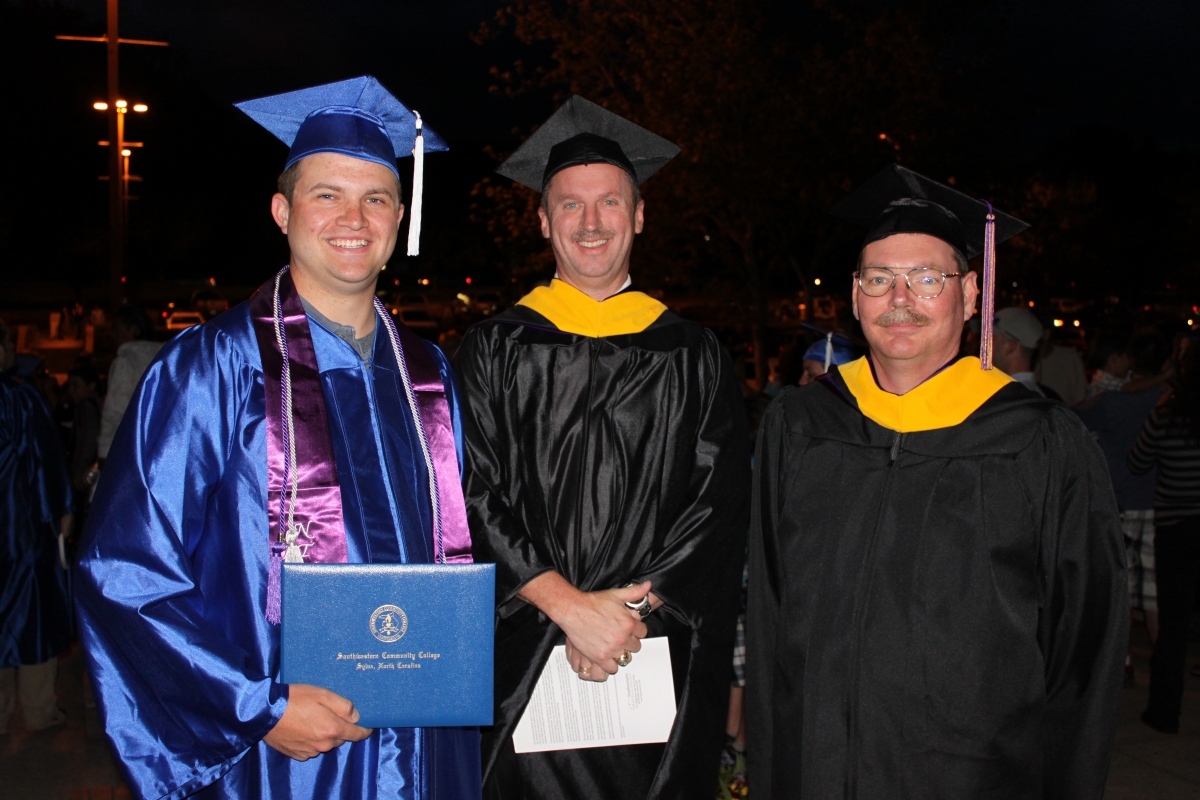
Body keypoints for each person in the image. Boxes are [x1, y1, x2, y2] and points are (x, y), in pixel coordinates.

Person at [75, 77, 482, 798]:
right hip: (284, 752)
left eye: (377, 198)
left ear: (398, 221)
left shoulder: (429, 372)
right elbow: (123, 573)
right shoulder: (210, 368)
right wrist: (258, 706)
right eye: (327, 194)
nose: (353, 218)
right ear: (282, 210)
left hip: (425, 743)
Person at [746, 165, 1127, 798]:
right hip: (817, 763)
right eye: (879, 279)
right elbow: (769, 614)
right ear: (855, 295)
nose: (900, 299)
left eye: (928, 278)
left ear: (972, 294)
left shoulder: (1039, 439)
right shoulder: (802, 423)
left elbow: (1084, 647)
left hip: (973, 772)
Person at [456, 96, 751, 799]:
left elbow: (719, 502)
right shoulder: (494, 347)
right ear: (542, 219)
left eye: (610, 202)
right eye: (569, 205)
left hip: (653, 652)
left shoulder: (693, 352)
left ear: (639, 215)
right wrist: (566, 607)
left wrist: (627, 619)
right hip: (524, 652)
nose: (591, 223)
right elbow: (467, 489)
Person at [1075, 333, 1171, 660]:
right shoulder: (1168, 400)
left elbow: (1074, 419)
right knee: (1156, 595)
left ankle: (1123, 663)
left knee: (1120, 591)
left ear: (1132, 360)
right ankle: (1164, 664)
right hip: (1159, 504)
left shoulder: (1109, 401)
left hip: (1118, 502)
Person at [0, 319, 74, 734]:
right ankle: (38, 709)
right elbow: (44, 461)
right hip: (19, 528)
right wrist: (62, 512)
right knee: (33, 614)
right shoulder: (18, 398)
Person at [1128, 340, 1200, 735]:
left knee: (1172, 625)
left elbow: (1138, 462)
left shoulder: (1167, 415)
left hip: (1176, 527)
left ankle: (1164, 710)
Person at [96, 307, 161, 465]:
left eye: (117, 329)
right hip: (158, 447)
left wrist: (104, 453)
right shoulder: (164, 359)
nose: (113, 335)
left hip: (129, 450)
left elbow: (115, 413)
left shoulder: (126, 362)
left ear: (134, 330)